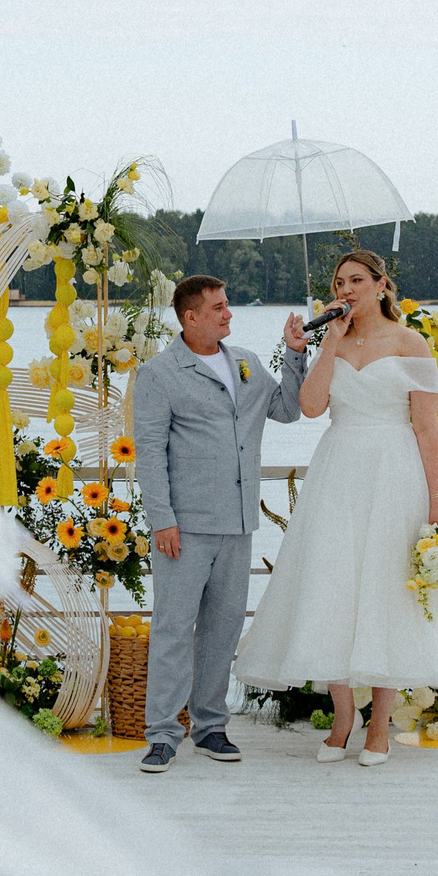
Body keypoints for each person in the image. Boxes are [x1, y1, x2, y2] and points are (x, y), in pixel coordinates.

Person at [235, 251, 438, 767]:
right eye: (340, 282)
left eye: (357, 281)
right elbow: (313, 406)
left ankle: (380, 728)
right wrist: (326, 345)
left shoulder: (411, 343)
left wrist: (437, 499)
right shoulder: (333, 340)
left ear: (381, 284)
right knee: (334, 586)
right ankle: (342, 720)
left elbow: (429, 429)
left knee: (388, 589)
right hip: (339, 472)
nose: (347, 289)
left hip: (394, 474)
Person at [130, 274, 309, 775]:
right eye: (218, 307)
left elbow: (289, 410)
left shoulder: (248, 362)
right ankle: (163, 733)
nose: (228, 314)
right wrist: (161, 520)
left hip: (239, 522)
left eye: (227, 305)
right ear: (190, 318)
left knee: (223, 629)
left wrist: (295, 353)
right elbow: (149, 455)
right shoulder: (160, 373)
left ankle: (210, 726)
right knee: (171, 629)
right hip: (183, 528)